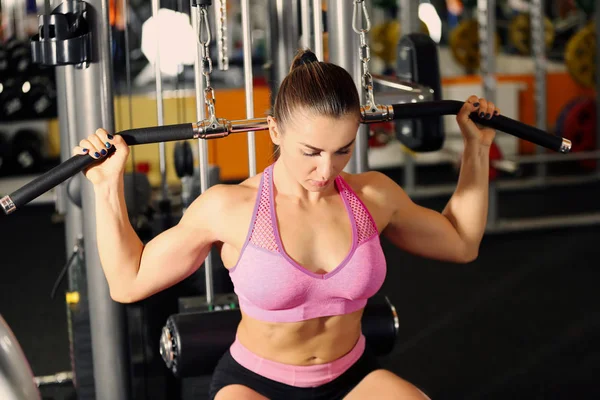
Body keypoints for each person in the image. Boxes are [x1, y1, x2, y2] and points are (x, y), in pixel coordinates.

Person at [73, 49, 499, 399]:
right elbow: (128, 282)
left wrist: (475, 151)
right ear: (274, 130)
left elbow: (461, 242)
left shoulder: (373, 196)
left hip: (351, 376)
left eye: (342, 151)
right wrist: (107, 187)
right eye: (311, 151)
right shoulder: (230, 207)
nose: (326, 169)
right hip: (255, 384)